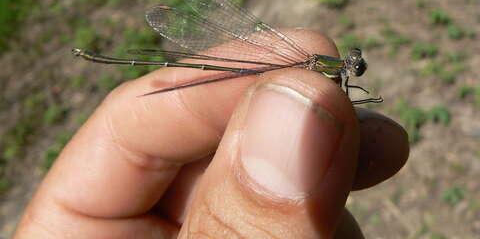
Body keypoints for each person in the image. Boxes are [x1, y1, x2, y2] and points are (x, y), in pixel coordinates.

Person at [14, 30, 409, 238]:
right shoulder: (326, 71)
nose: (351, 66)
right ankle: (98, 56)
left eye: (351, 65)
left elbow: (338, 96)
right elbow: (338, 97)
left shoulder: (330, 72)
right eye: (352, 66)